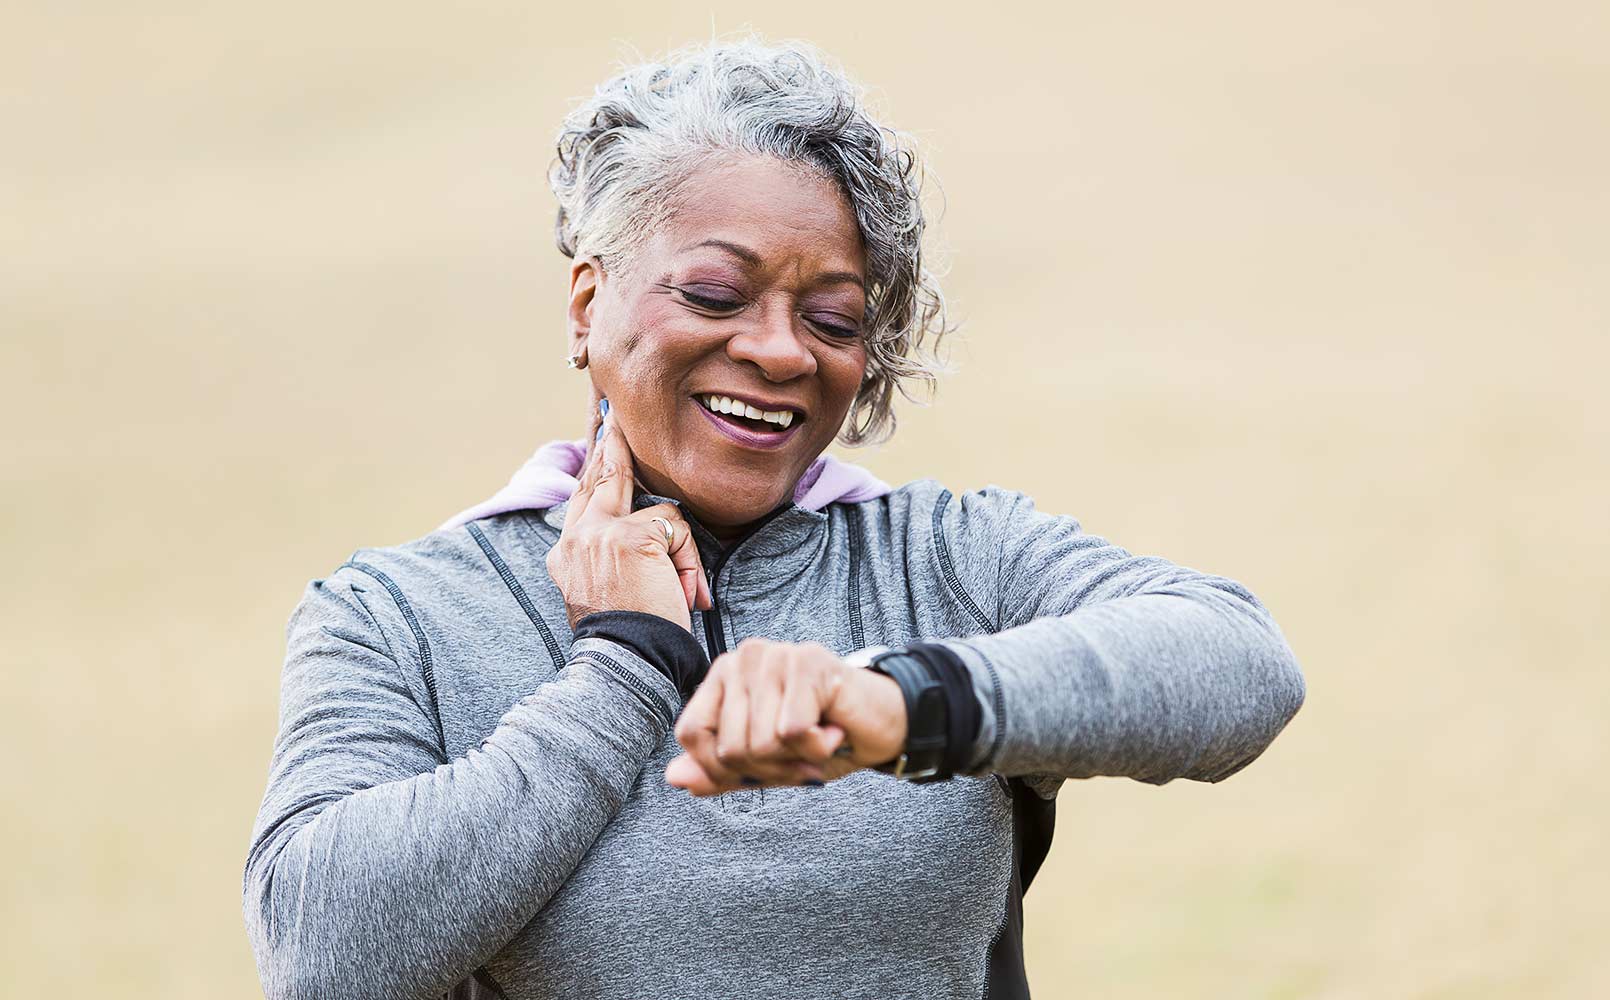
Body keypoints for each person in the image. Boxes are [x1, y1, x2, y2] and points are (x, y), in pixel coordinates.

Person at [242, 38, 1306, 1000]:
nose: (782, 350)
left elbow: (1238, 664)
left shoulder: (944, 558)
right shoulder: (400, 613)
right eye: (712, 295)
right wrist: (620, 663)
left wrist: (892, 700)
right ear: (586, 304)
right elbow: (318, 952)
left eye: (831, 316)